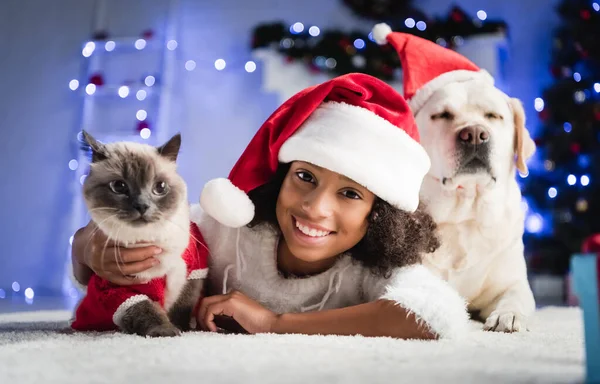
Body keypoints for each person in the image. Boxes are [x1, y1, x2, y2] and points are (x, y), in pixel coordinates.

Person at [71, 73, 469, 339]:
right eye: (305, 177)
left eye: (350, 194)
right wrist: (86, 246)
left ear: (379, 215)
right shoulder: (226, 229)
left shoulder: (373, 266)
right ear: (279, 179)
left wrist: (275, 323)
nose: (315, 208)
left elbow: (439, 316)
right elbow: (145, 229)